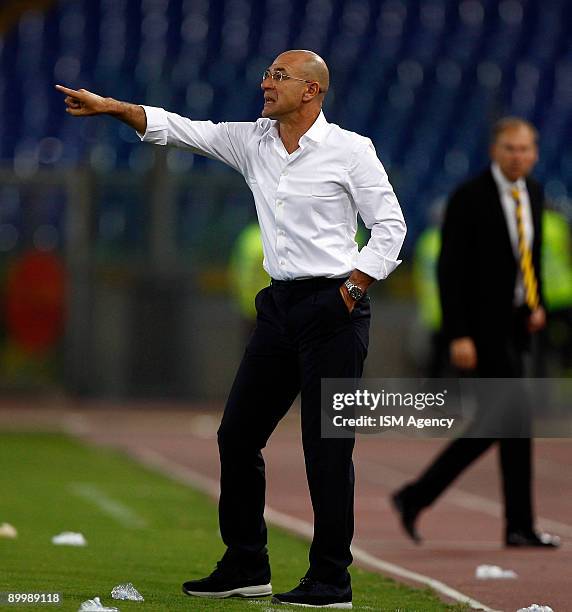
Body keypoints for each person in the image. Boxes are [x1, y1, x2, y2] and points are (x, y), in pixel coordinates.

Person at [56, 49, 406, 608]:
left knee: (327, 449)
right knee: (237, 436)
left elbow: (390, 227)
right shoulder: (252, 141)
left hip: (334, 307)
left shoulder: (351, 150)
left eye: (279, 76)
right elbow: (180, 128)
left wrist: (351, 289)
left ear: (312, 90)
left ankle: (331, 578)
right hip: (278, 308)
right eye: (268, 74)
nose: (265, 83)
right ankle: (246, 563)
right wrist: (111, 108)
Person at [391, 117, 560, 548]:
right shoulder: (469, 198)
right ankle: (430, 498)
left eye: (525, 149)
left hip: (518, 322)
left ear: (535, 152)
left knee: (508, 423)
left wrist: (535, 301)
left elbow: (529, 254)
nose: (518, 157)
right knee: (510, 419)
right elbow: (450, 272)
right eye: (510, 149)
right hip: (480, 328)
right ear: (494, 151)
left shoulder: (535, 194)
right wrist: (458, 335)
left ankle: (428, 499)